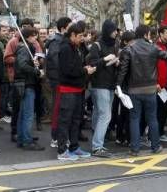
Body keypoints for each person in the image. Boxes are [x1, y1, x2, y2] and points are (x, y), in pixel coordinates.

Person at [116, 24, 167, 156]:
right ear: (146, 34)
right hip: (150, 89)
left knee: (134, 119)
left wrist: (118, 86)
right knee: (152, 118)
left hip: (134, 89)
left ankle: (134, 148)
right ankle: (156, 146)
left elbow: (123, 70)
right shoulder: (153, 48)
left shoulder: (129, 49)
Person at [56, 22, 95, 160]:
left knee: (76, 120)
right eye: (79, 36)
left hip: (78, 88)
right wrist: (85, 70)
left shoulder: (76, 47)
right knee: (65, 120)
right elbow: (68, 70)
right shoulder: (66, 48)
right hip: (68, 89)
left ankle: (74, 146)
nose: (81, 39)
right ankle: (62, 151)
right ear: (72, 35)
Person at [4, 18, 43, 143]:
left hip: (28, 82)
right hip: (23, 82)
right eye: (33, 36)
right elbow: (19, 64)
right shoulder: (21, 47)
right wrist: (34, 69)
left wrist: (36, 62)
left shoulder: (31, 46)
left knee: (25, 111)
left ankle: (23, 135)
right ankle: (22, 137)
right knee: (24, 112)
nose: (35, 39)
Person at [86, 20, 118, 158]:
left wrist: (116, 61)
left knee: (100, 113)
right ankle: (97, 146)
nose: (116, 33)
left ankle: (97, 141)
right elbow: (92, 64)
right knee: (105, 115)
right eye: (114, 30)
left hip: (110, 84)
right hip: (99, 84)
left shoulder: (114, 45)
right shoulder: (96, 45)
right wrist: (105, 59)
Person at [14, 27, 45, 151]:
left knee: (23, 113)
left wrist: (34, 64)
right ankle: (26, 140)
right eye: (33, 35)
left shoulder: (26, 49)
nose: (35, 38)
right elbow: (22, 65)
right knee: (27, 114)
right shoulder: (24, 49)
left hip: (25, 84)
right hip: (26, 84)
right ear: (27, 37)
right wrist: (36, 71)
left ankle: (22, 138)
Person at [45, 17, 72, 148]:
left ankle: (60, 136)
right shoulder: (57, 42)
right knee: (58, 108)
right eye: (70, 26)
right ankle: (56, 137)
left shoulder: (62, 41)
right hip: (58, 80)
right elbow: (56, 61)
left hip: (61, 80)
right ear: (63, 28)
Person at [112, 31, 135, 147]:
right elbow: (123, 71)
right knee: (126, 113)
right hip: (126, 87)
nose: (134, 43)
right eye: (132, 41)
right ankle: (123, 137)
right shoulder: (126, 52)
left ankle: (121, 137)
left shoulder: (125, 51)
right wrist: (119, 86)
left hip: (125, 86)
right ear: (126, 42)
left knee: (125, 113)